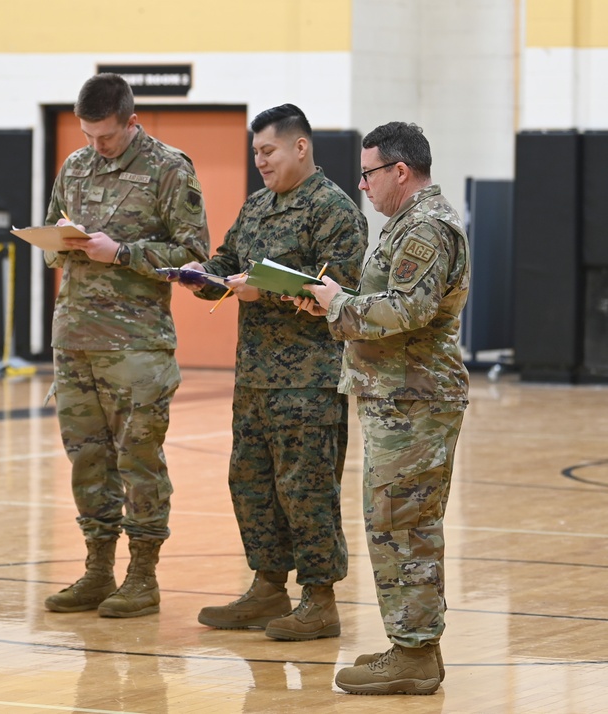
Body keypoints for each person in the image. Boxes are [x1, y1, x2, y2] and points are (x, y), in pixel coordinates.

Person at [176, 104, 367, 639]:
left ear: (300, 146)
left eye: (268, 151)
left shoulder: (335, 210)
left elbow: (341, 291)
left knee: (306, 490)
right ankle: (266, 587)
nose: (259, 161)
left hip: (309, 380)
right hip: (255, 377)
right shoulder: (257, 206)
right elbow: (227, 258)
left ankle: (320, 600)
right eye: (255, 152)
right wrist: (202, 276)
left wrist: (268, 290)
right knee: (252, 484)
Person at [292, 121, 470, 695]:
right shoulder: (407, 227)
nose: (362, 184)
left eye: (369, 173)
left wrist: (338, 302)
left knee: (403, 525)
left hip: (414, 401)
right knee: (396, 523)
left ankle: (415, 653)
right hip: (401, 397)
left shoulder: (424, 229)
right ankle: (414, 647)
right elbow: (392, 305)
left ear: (400, 171)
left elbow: (407, 310)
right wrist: (330, 305)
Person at [42, 73, 210, 618]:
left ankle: (142, 577)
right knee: (86, 458)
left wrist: (122, 253)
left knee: (137, 459)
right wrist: (57, 243)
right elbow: (49, 236)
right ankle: (96, 571)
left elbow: (193, 255)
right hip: (74, 340)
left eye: (106, 137)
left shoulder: (169, 168)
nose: (96, 147)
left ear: (131, 122)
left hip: (137, 345)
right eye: (89, 135)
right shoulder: (74, 166)